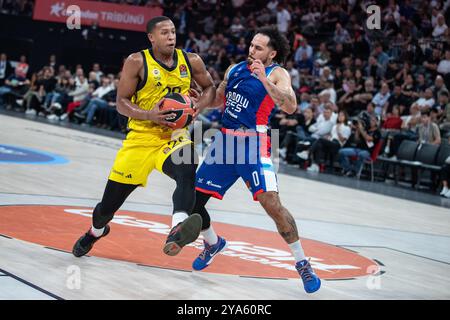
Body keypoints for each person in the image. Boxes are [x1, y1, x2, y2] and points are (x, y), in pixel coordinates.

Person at [174, 26, 321, 294]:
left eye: (259, 48)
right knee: (193, 201)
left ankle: (302, 262)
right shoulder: (234, 69)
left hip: (256, 142)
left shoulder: (278, 73)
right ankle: (212, 242)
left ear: (272, 53)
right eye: (252, 45)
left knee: (272, 204)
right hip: (225, 141)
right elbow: (219, 99)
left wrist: (264, 80)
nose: (252, 50)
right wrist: (197, 101)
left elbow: (290, 106)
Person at [72, 16, 216, 258]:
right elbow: (121, 103)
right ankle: (96, 232)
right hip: (140, 138)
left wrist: (197, 107)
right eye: (164, 33)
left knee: (188, 166)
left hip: (173, 136)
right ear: (151, 37)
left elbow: (210, 87)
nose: (171, 37)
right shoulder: (136, 61)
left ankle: (177, 227)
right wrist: (149, 114)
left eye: (173, 32)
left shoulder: (190, 60)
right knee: (106, 209)